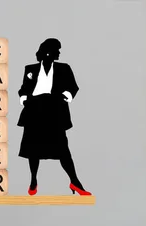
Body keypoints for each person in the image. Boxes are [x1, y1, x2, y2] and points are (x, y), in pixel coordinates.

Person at [17, 38, 91, 196]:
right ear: (47, 51)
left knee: (62, 148)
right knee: (33, 148)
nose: (58, 53)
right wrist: (24, 98)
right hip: (34, 108)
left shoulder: (64, 68)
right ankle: (33, 179)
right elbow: (24, 88)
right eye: (56, 50)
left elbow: (73, 86)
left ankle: (74, 181)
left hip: (54, 108)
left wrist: (67, 95)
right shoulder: (30, 68)